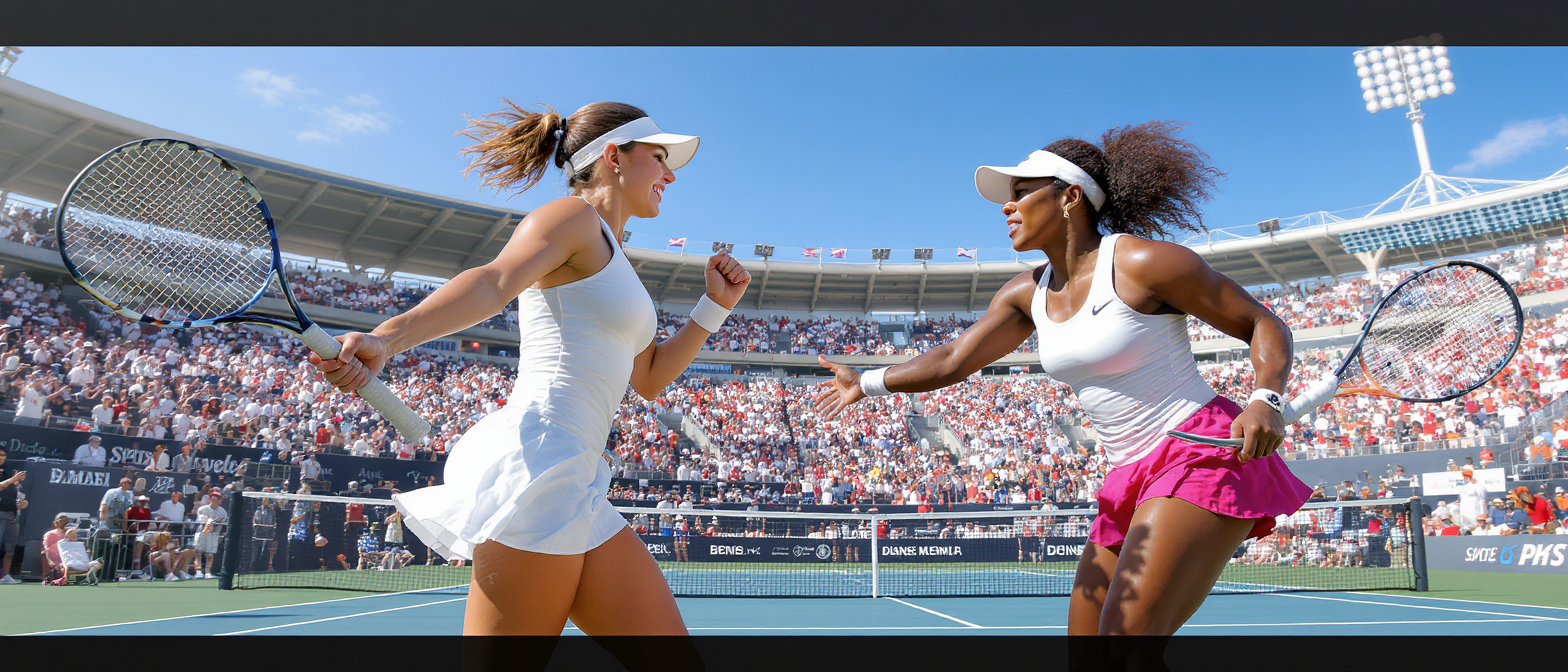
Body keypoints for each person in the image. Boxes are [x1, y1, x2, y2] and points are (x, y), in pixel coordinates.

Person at [814, 123, 1310, 638]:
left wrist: (1265, 398)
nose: (1007, 207)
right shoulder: (1026, 293)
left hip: (1197, 454)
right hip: (1128, 476)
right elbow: (953, 359)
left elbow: (1262, 323)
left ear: (1070, 197)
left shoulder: (1143, 262)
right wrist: (866, 382)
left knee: (1126, 642)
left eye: (1023, 193)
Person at [308, 101, 742, 652]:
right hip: (539, 464)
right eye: (659, 157)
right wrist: (387, 338)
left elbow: (650, 378)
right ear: (614, 157)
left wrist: (714, 306)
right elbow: (493, 283)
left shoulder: (615, 257)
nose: (670, 174)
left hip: (578, 475)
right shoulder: (571, 217)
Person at [0, 447, 26, 584]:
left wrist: (23, 503)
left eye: (4, 455)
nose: (2, 457)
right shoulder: (8, 478)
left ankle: (5, 575)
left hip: (12, 516)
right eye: (0, 455)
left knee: (9, 549)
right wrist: (11, 480)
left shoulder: (8, 473)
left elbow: (19, 495)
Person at [191, 491, 227, 579]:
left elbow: (222, 526)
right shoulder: (202, 509)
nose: (215, 499)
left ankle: (208, 572)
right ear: (210, 499)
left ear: (220, 500)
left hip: (213, 535)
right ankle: (198, 572)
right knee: (198, 553)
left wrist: (214, 528)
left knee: (210, 554)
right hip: (201, 533)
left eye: (217, 498)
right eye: (213, 497)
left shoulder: (223, 512)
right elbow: (201, 522)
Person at [1455, 466, 1488, 532]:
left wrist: (1483, 514)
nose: (1466, 478)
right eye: (1465, 476)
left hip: (1476, 514)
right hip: (1464, 515)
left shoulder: (1480, 487)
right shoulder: (1463, 488)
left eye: (1467, 476)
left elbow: (1483, 501)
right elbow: (1461, 501)